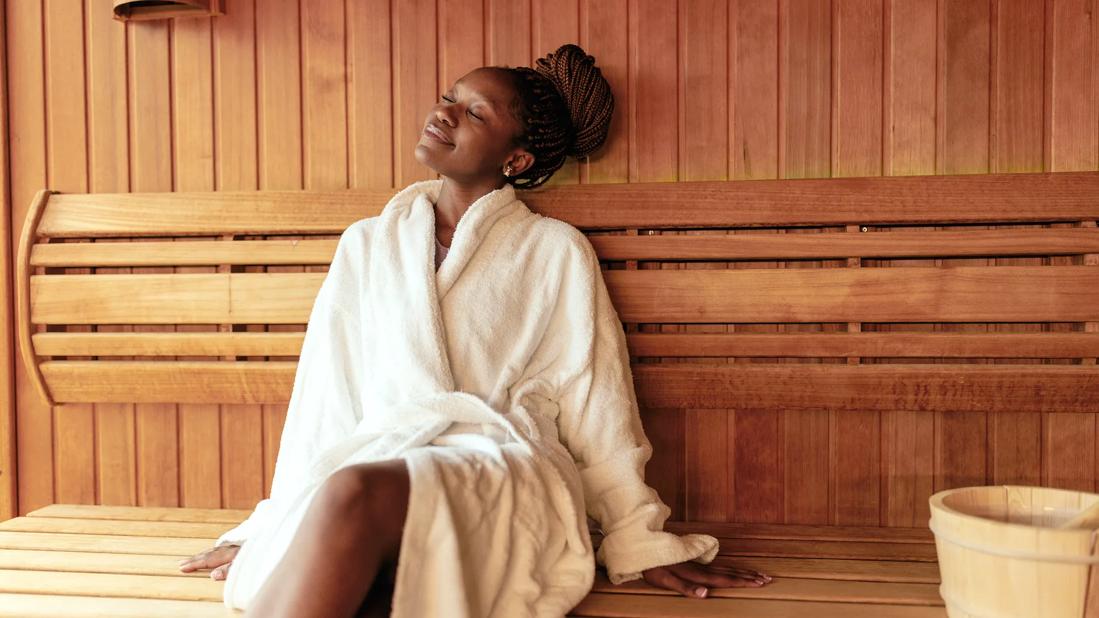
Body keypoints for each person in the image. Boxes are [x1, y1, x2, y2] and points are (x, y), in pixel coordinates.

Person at [178, 43, 771, 617]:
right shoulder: (368, 244)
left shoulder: (553, 251)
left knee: (352, 498)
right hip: (385, 463)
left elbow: (596, 402)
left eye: (475, 112)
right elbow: (326, 399)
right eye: (449, 97)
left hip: (502, 467)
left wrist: (634, 536)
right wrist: (275, 519)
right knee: (362, 558)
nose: (445, 112)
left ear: (515, 160)